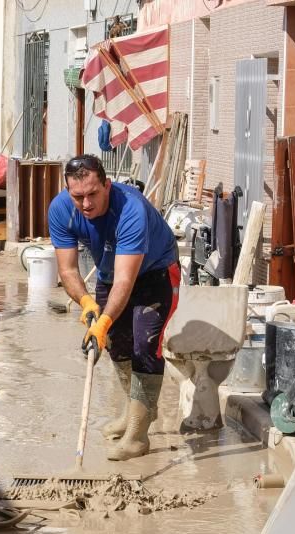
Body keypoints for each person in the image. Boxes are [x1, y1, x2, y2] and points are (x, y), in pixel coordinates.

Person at [49, 155, 180, 461]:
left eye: (93, 194)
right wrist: (87, 304)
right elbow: (67, 270)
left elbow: (126, 280)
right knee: (116, 346)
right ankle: (136, 409)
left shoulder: (130, 210)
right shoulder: (61, 209)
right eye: (77, 196)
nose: (86, 204)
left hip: (155, 272)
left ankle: (137, 436)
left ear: (107, 185)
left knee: (144, 345)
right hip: (110, 273)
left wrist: (104, 320)